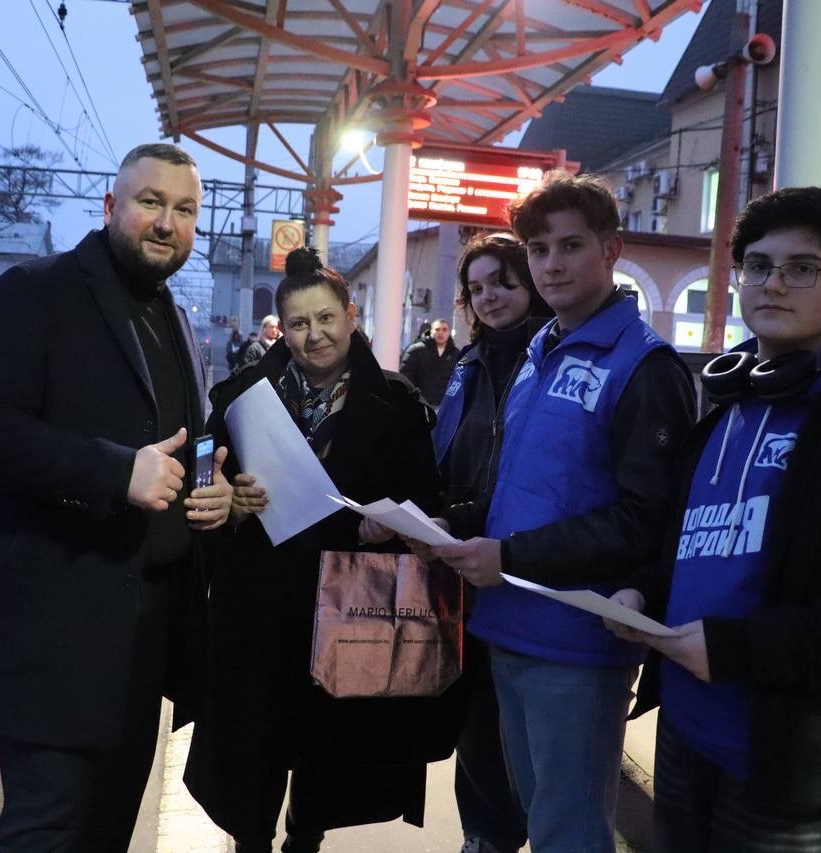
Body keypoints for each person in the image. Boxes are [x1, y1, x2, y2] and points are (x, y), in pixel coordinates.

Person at [606, 186, 821, 852]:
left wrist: (738, 649)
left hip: (792, 770)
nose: (773, 283)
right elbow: (695, 547)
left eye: (802, 268)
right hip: (685, 738)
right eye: (759, 265)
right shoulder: (729, 409)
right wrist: (644, 592)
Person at [0, 143, 234, 851]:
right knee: (49, 828)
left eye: (185, 209)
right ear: (109, 207)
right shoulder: (33, 291)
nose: (167, 222)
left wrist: (212, 486)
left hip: (144, 630)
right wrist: (113, 471)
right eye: (151, 202)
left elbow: (178, 437)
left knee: (107, 825)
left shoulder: (171, 315)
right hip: (54, 625)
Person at [428, 171, 696, 851]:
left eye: (570, 246)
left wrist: (509, 556)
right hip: (507, 626)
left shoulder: (645, 366)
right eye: (539, 249)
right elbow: (521, 491)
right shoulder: (539, 352)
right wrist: (454, 525)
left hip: (577, 643)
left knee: (567, 833)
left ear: (612, 249)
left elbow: (646, 520)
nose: (551, 264)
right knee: (536, 818)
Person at [185, 247, 461, 853]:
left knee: (329, 752)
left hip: (350, 607)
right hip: (257, 604)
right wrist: (225, 499)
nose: (315, 335)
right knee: (250, 755)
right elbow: (203, 465)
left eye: (327, 318)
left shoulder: (398, 402)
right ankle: (251, 840)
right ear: (282, 329)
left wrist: (391, 525)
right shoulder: (242, 392)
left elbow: (425, 497)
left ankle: (305, 838)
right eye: (300, 323)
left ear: (351, 315)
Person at [433, 232, 551, 853]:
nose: (489, 298)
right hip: (465, 570)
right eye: (476, 288)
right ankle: (482, 836)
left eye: (503, 282)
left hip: (525, 571)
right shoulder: (469, 364)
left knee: (519, 735)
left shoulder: (548, 358)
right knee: (474, 725)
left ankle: (501, 833)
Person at [400, 317, 462, 406]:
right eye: (437, 329)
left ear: (449, 333)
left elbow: (459, 380)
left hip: (444, 404)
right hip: (420, 402)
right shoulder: (416, 350)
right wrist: (415, 396)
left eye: (444, 330)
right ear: (431, 332)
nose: (440, 333)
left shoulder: (456, 354)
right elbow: (406, 375)